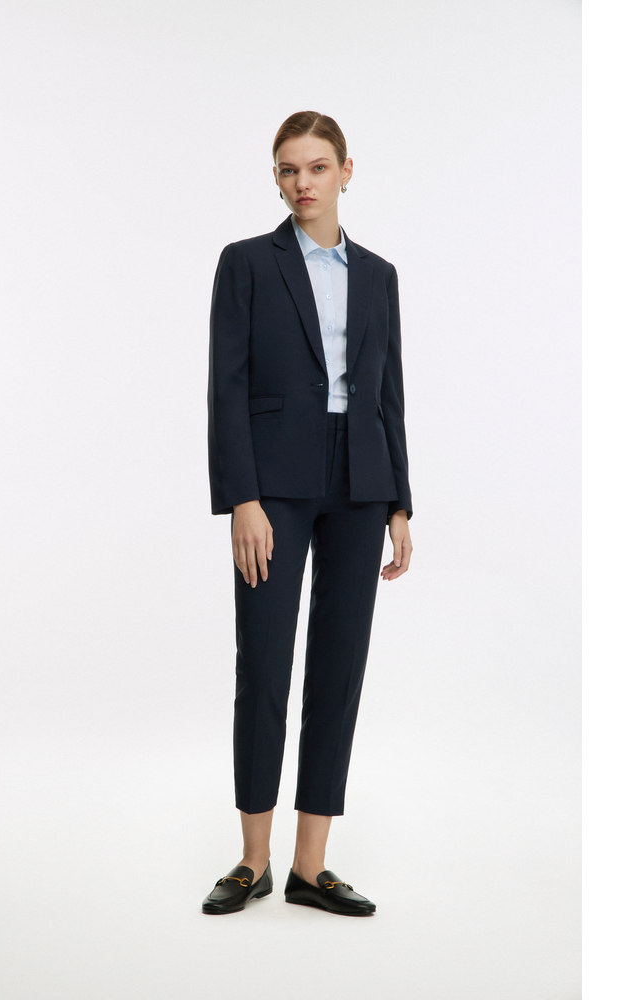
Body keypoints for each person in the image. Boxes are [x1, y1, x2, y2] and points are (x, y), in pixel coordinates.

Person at [202, 111, 413, 917]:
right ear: (277, 177)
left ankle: (310, 865)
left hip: (361, 480)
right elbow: (226, 387)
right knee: (263, 663)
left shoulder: (380, 275)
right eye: (289, 169)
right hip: (275, 483)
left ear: (346, 171)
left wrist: (399, 502)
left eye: (318, 167)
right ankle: (253, 860)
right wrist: (242, 499)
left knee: (338, 668)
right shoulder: (247, 263)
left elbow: (389, 392)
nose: (302, 183)